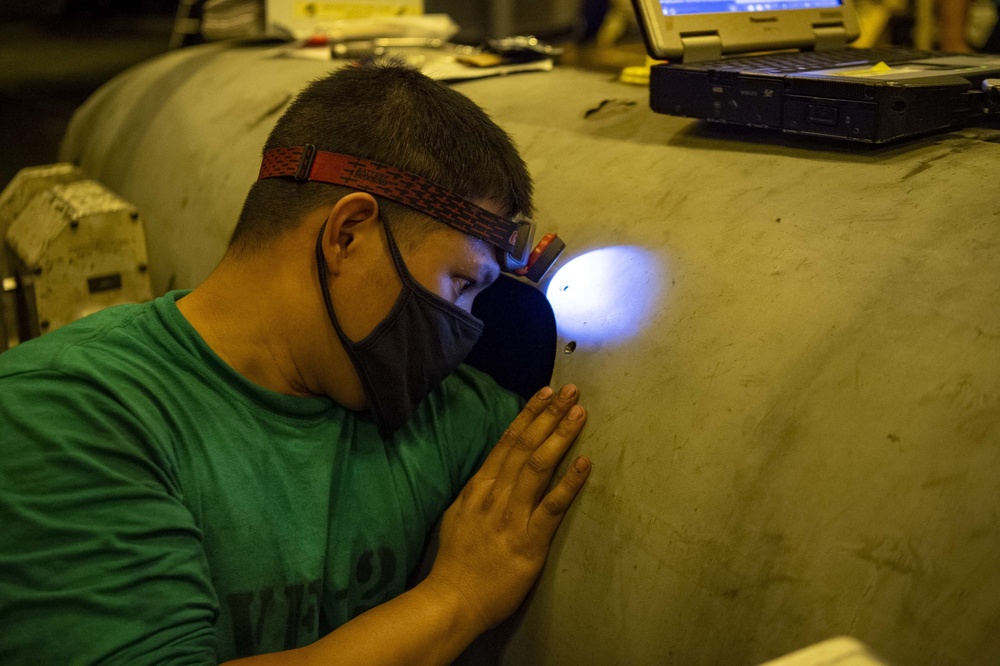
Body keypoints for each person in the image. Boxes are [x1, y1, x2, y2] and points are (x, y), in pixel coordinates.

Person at [0, 59, 591, 664]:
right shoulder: (63, 416)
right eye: (461, 283)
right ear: (348, 234)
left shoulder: (443, 417)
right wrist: (457, 598)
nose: (466, 322)